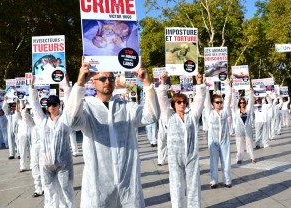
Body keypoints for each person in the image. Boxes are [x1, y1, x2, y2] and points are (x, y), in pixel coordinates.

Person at [62, 61, 160, 208]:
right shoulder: (87, 108)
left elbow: (152, 116)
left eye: (111, 78)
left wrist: (147, 84)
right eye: (102, 79)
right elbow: (71, 120)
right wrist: (80, 83)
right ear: (93, 82)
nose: (107, 81)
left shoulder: (127, 107)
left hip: (128, 182)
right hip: (98, 185)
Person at [157, 71, 206, 207]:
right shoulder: (169, 116)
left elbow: (200, 100)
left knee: (193, 186)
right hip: (175, 157)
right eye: (179, 102)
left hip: (191, 155)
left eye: (184, 101)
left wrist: (199, 83)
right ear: (174, 104)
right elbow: (162, 99)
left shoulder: (192, 116)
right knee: (176, 187)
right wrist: (163, 82)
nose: (182, 104)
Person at [29, 81, 74, 208]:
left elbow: (70, 106)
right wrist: (32, 88)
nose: (51, 107)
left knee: (66, 191)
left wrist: (66, 86)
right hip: (46, 164)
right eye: (49, 104)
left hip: (63, 163)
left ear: (59, 105)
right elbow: (35, 106)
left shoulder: (65, 121)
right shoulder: (42, 122)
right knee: (49, 192)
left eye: (54, 104)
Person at [204, 79, 232, 188]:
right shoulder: (209, 113)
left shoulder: (224, 112)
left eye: (220, 102)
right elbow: (206, 102)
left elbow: (228, 99)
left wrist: (227, 85)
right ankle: (213, 180)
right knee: (214, 161)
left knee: (226, 160)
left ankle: (227, 180)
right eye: (217, 102)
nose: (219, 104)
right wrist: (205, 87)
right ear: (213, 103)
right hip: (213, 141)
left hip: (224, 140)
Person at [231, 89, 256, 164]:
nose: (242, 104)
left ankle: (252, 158)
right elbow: (234, 103)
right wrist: (233, 94)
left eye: (243, 102)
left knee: (250, 144)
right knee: (239, 145)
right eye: (241, 103)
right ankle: (239, 158)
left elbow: (251, 102)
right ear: (239, 104)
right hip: (239, 130)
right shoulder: (236, 110)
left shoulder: (248, 109)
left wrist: (251, 92)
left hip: (248, 129)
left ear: (245, 103)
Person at [15, 99, 33, 172]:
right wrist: (17, 103)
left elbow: (25, 113)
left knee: (32, 151)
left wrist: (26, 104)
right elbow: (17, 112)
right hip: (22, 136)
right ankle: (23, 166)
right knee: (23, 152)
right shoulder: (19, 120)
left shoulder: (30, 118)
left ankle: (32, 165)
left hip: (31, 136)